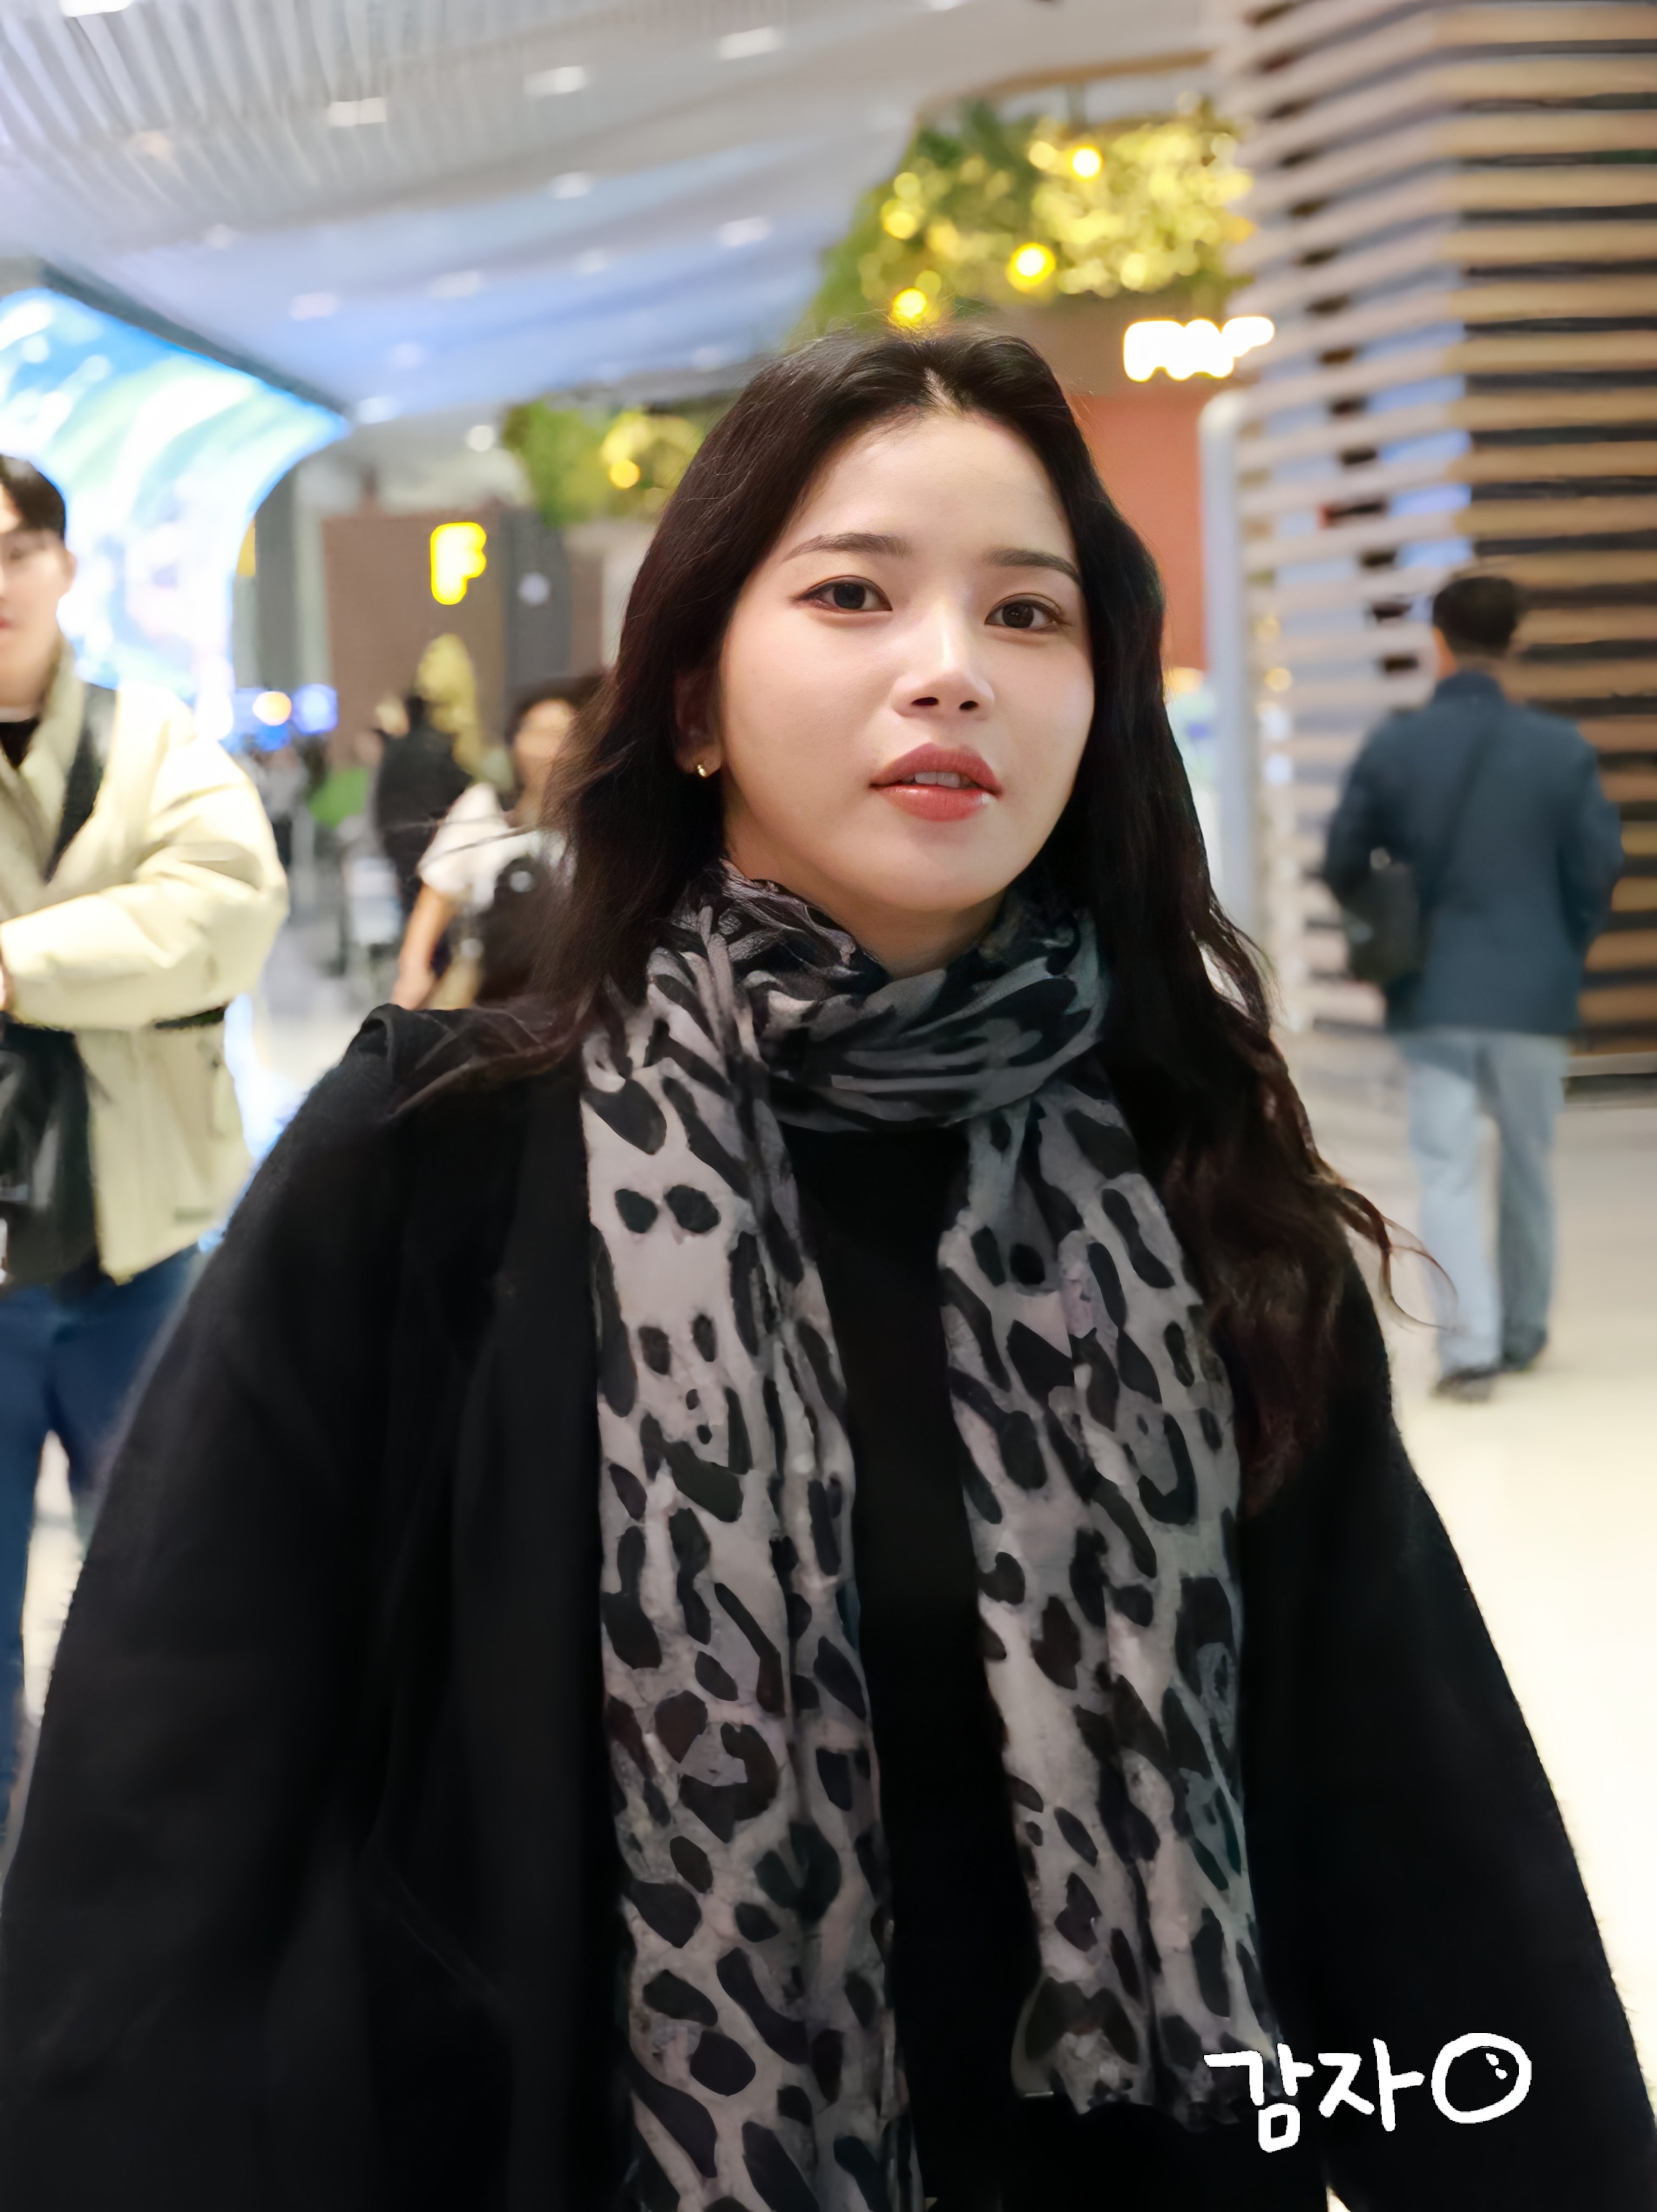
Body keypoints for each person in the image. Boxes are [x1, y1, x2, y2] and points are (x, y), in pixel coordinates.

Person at [1, 341, 1651, 2212]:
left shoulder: (1192, 1182)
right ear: (692, 696)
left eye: (1024, 612)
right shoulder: (439, 1161)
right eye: (854, 593)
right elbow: (170, 1805)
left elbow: (1412, 1834)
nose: (948, 665)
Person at [0, 454, 287, 1839]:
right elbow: (162, 923)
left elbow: (225, 909)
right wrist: (107, 946)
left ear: (63, 564)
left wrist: (16, 965)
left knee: (170, 1592)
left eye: (14, 550)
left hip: (140, 1250)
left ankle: (155, 1866)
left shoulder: (153, 738)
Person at [1324, 573, 1622, 1401]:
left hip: (1433, 989)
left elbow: (1344, 859)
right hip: (1533, 989)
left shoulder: (1396, 747)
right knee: (1528, 1164)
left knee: (1445, 1167)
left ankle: (1469, 1353)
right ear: (1516, 639)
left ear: (1439, 640)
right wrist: (1562, 944)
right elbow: (1597, 868)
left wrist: (1387, 924)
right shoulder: (1559, 750)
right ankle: (1524, 1332)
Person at [391, 672, 601, 1011]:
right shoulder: (484, 806)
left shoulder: (594, 817)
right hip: (487, 989)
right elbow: (438, 895)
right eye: (536, 733)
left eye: (562, 734)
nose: (549, 749)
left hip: (573, 993)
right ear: (515, 740)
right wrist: (413, 971)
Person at [371, 680, 471, 921]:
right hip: (434, 836)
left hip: (400, 839)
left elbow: (381, 798)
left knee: (411, 902)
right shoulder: (441, 745)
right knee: (438, 901)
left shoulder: (395, 750)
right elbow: (461, 787)